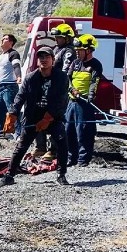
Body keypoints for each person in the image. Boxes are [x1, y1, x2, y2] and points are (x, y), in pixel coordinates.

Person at [0, 46, 71, 187]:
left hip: (53, 117)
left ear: (53, 60)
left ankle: (61, 175)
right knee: (21, 146)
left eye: (47, 57)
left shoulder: (61, 77)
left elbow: (61, 101)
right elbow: (20, 96)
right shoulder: (31, 77)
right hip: (33, 116)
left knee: (62, 142)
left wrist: (47, 118)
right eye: (41, 57)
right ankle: (9, 175)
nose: (43, 60)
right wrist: (12, 114)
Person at [37, 23, 77, 158]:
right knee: (41, 114)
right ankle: (41, 147)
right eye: (56, 37)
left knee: (55, 119)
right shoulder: (57, 50)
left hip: (59, 90)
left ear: (67, 38)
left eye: (59, 37)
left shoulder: (69, 51)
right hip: (50, 87)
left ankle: (53, 150)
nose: (56, 39)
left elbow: (65, 71)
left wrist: (58, 82)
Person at [67, 34, 104, 166]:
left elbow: (95, 82)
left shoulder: (95, 65)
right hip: (71, 102)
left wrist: (90, 96)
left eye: (79, 50)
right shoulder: (75, 63)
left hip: (84, 104)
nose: (77, 52)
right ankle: (71, 158)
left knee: (83, 131)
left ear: (88, 50)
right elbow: (68, 79)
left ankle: (83, 160)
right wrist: (72, 90)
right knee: (68, 130)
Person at [0, 34, 23, 135]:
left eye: (5, 39)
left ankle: (19, 134)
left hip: (9, 87)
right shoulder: (2, 55)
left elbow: (16, 65)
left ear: (11, 43)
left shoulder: (13, 54)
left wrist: (18, 76)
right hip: (0, 87)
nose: (2, 40)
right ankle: (1, 133)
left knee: (12, 111)